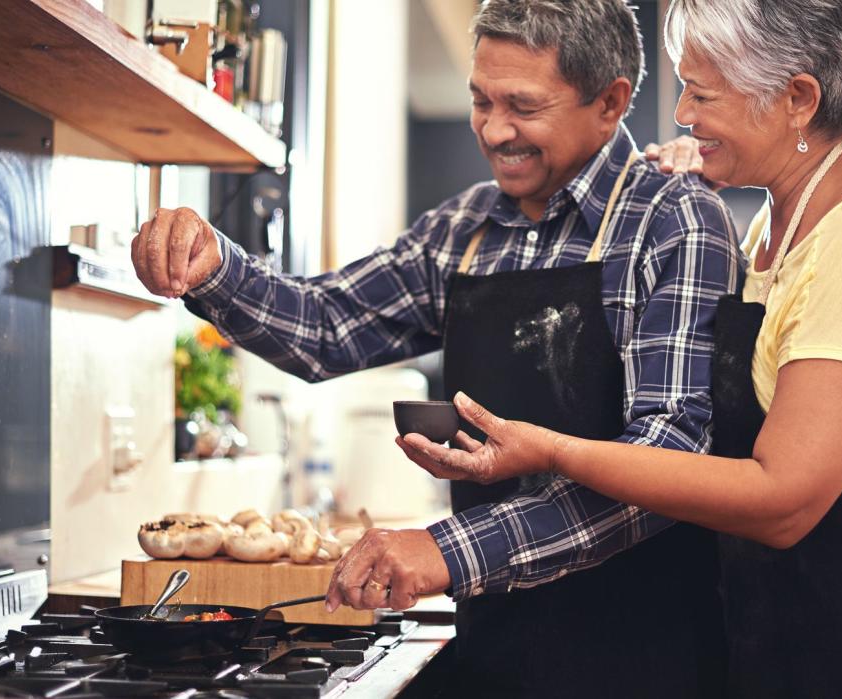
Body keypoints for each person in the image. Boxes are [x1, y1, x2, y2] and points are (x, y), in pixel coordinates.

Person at [384, 1, 842, 697]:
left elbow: (783, 498)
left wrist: (553, 448)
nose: (682, 113)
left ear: (797, 99)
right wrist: (728, 150)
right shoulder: (790, 208)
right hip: (814, 604)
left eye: (703, 93)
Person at [131, 1, 739, 695]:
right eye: (480, 99)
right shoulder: (464, 230)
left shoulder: (676, 221)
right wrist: (215, 267)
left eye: (523, 106)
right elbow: (328, 325)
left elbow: (668, 456)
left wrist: (449, 551)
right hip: (497, 648)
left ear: (611, 102)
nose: (493, 129)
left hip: (642, 658)